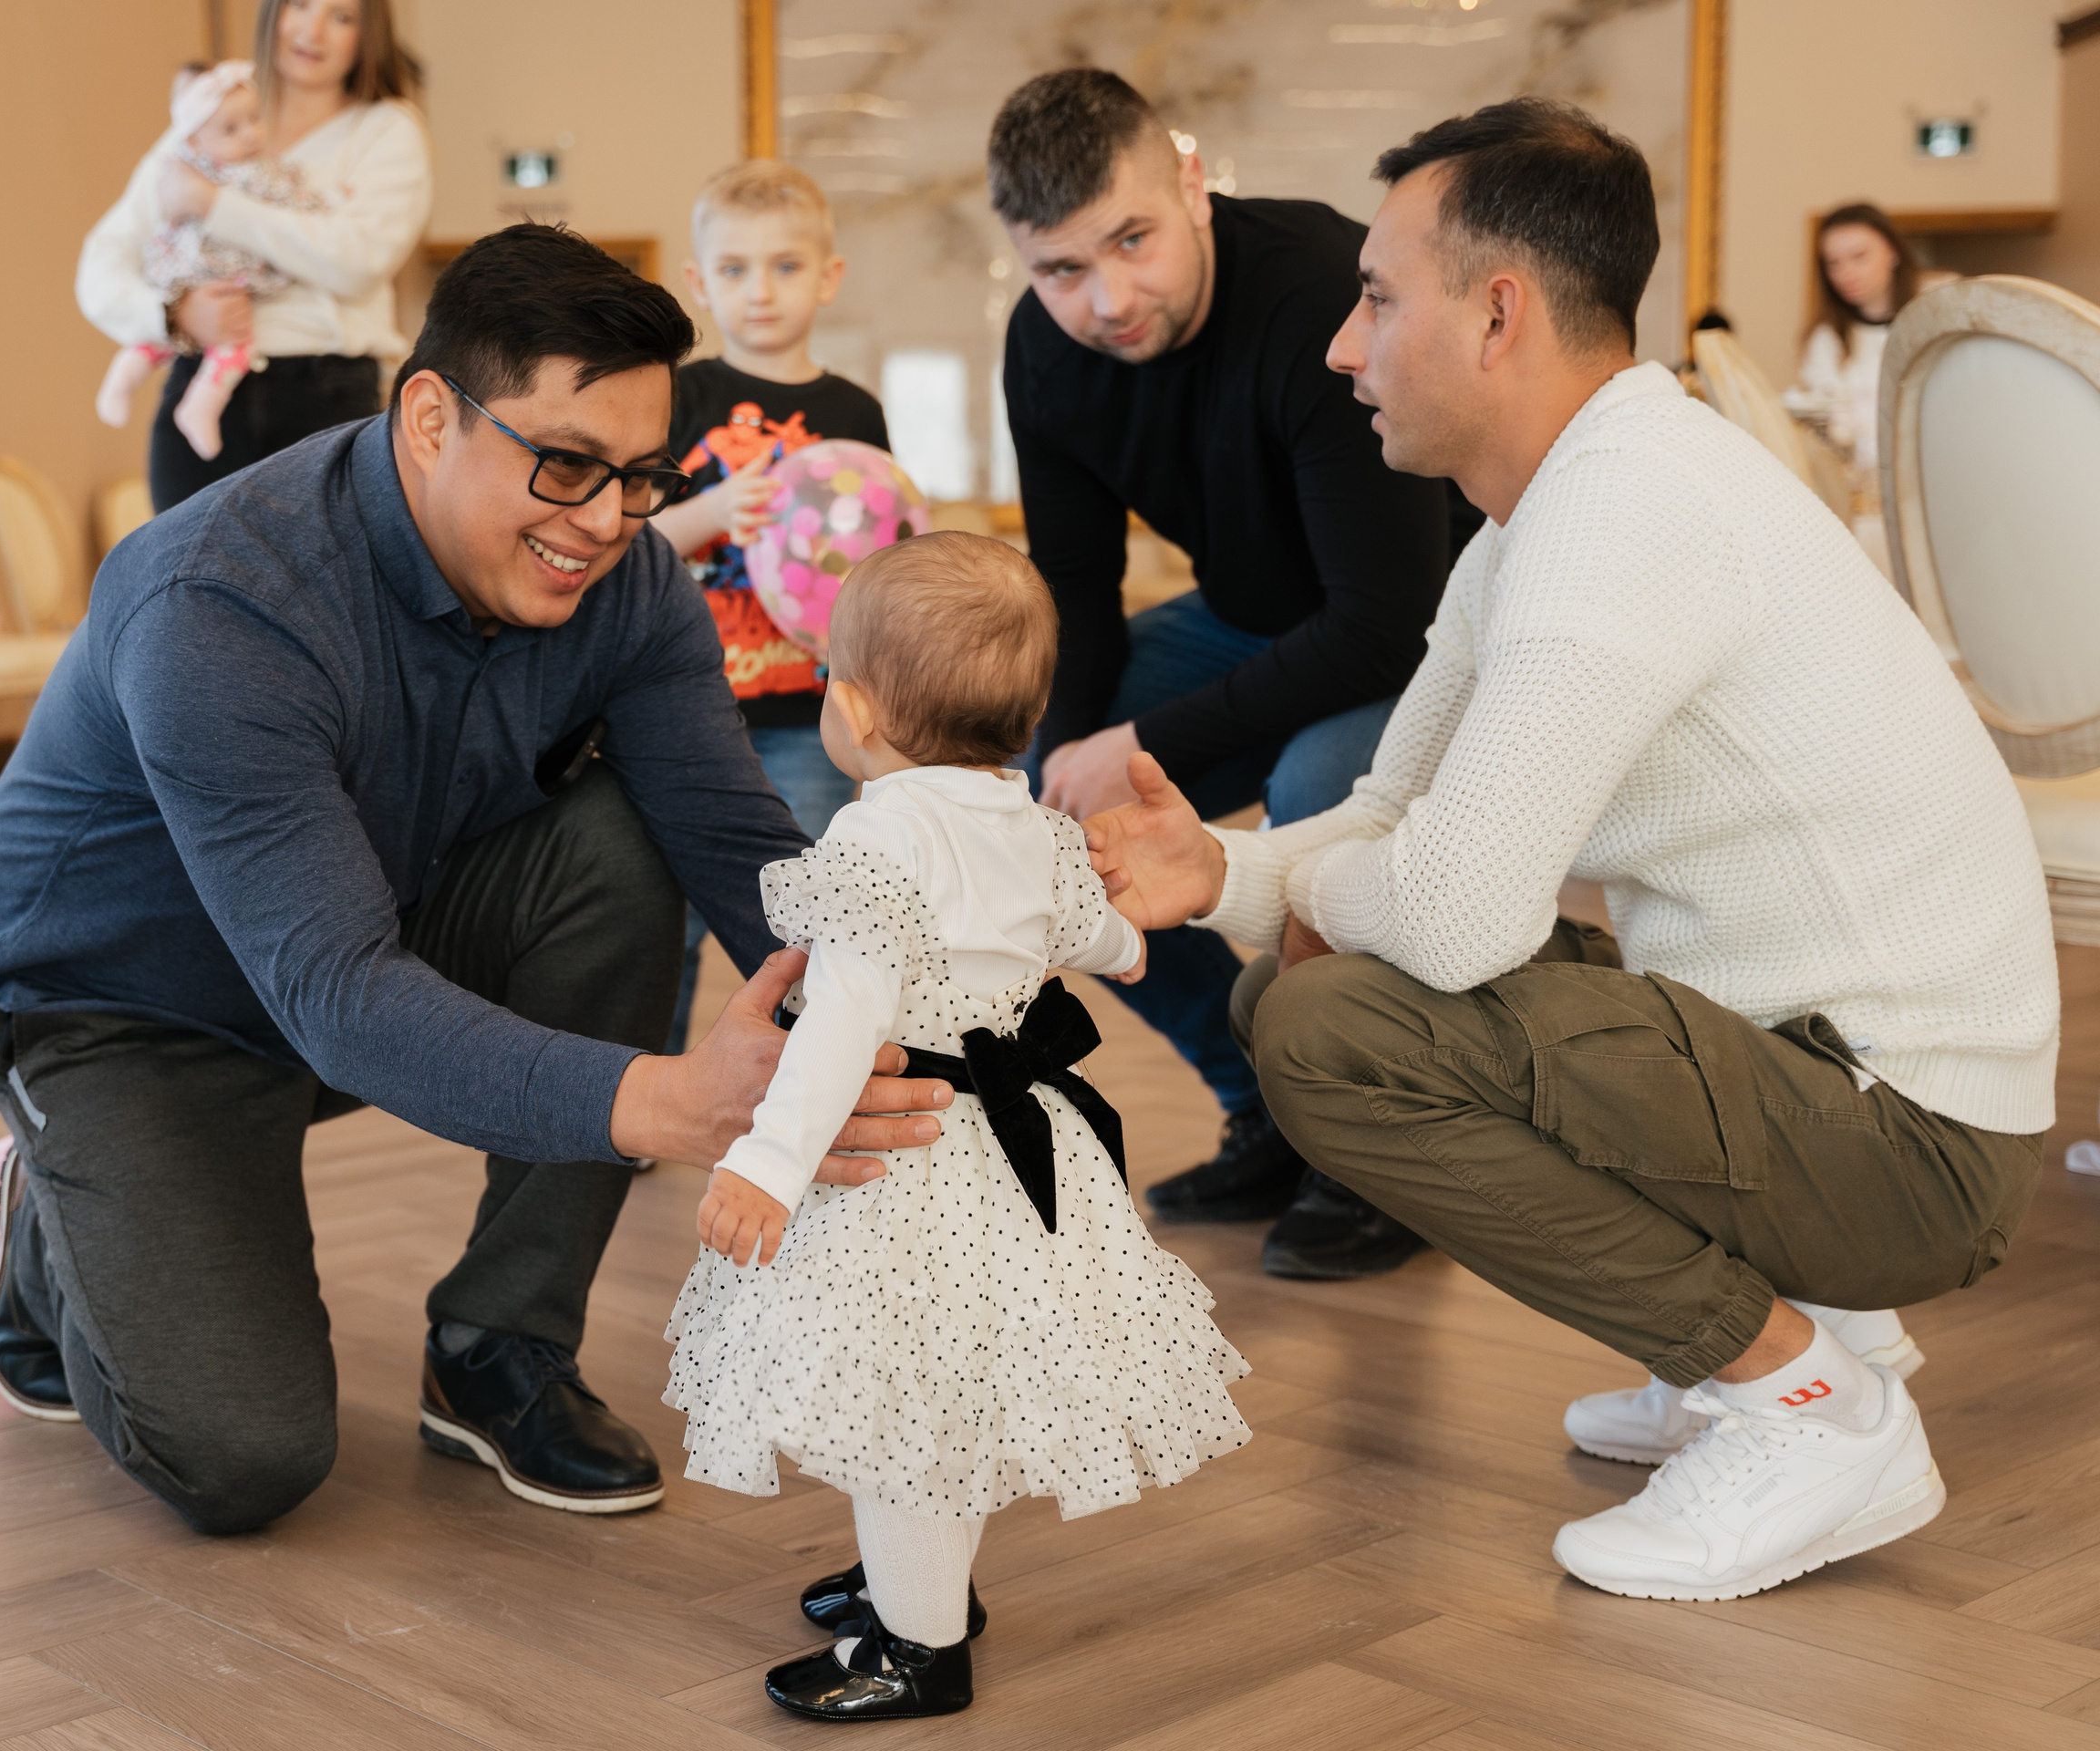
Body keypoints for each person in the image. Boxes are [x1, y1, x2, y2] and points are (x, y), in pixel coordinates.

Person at [1085, 99, 2057, 1601]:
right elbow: (1393, 827)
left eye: (1377, 298)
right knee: (1315, 981)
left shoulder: (1624, 513)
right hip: (1836, 1074)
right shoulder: (1546, 515)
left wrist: (1314, 902)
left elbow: (1457, 916)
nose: (1344, 347)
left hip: (1910, 1142)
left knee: (1335, 1028)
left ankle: (1810, 1404)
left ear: (1498, 312)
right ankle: (1798, 1334)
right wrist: (1222, 874)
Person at [0, 223, 954, 1536]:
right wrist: (670, 1103)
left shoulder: (627, 579)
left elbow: (736, 845)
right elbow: (340, 996)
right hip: (122, 1010)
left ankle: (497, 1346)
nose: (603, 522)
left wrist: (938, 980)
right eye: (567, 466)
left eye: (638, 477)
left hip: (362, 928)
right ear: (429, 416)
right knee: (244, 1459)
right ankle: (48, 1205)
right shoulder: (221, 599)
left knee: (624, 838)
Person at [666, 531, 1249, 1722]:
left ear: (861, 712)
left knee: (910, 1407)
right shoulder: (1029, 821)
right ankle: (919, 1584)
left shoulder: (877, 835)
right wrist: (1134, 944)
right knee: (949, 1391)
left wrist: (771, 1162)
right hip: (1023, 1144)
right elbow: (1102, 939)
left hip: (912, 1153)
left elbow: (844, 1017)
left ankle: (919, 1647)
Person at [988, 68, 1463, 1281]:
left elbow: (1382, 621)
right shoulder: (1044, 351)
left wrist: (1141, 748)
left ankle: (1373, 1154)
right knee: (1050, 810)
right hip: (1254, 623)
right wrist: (1070, 766)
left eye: (1132, 240)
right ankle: (1269, 1107)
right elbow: (1078, 593)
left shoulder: (1321, 289)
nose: (1107, 300)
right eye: (1061, 271)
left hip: (1420, 635)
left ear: (1192, 185)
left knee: (1315, 786)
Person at [651, 161, 886, 1053]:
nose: (760, 290)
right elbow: (627, 545)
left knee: (808, 907)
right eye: (736, 268)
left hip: (806, 712)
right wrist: (709, 514)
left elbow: (878, 558)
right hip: (677, 708)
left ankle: (814, 1078)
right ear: (699, 283)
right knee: (661, 916)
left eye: (786, 266)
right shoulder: (678, 399)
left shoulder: (852, 410)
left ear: (827, 277)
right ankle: (647, 1089)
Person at [78, 0, 430, 513]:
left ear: (368, 33)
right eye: (301, 5)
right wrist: (172, 313)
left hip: (324, 399)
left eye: (342, 16)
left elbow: (358, 260)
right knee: (186, 588)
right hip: (199, 393)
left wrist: (213, 204)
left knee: (319, 590)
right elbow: (102, 261)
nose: (313, 31)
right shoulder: (208, 114)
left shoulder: (386, 131)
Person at [94, 62, 326, 461]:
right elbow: (304, 207)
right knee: (233, 342)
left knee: (157, 342)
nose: (251, 134)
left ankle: (125, 376)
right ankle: (199, 405)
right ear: (196, 140)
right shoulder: (248, 174)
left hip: (191, 275)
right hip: (217, 281)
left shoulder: (190, 168)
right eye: (232, 129)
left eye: (254, 119)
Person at [1784, 202, 1948, 570]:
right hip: (1861, 506)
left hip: (1932, 495)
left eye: (1859, 256)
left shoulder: (1936, 320)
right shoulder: (1825, 341)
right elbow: (1828, 429)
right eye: (1833, 263)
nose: (1846, 273)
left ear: (1891, 252)